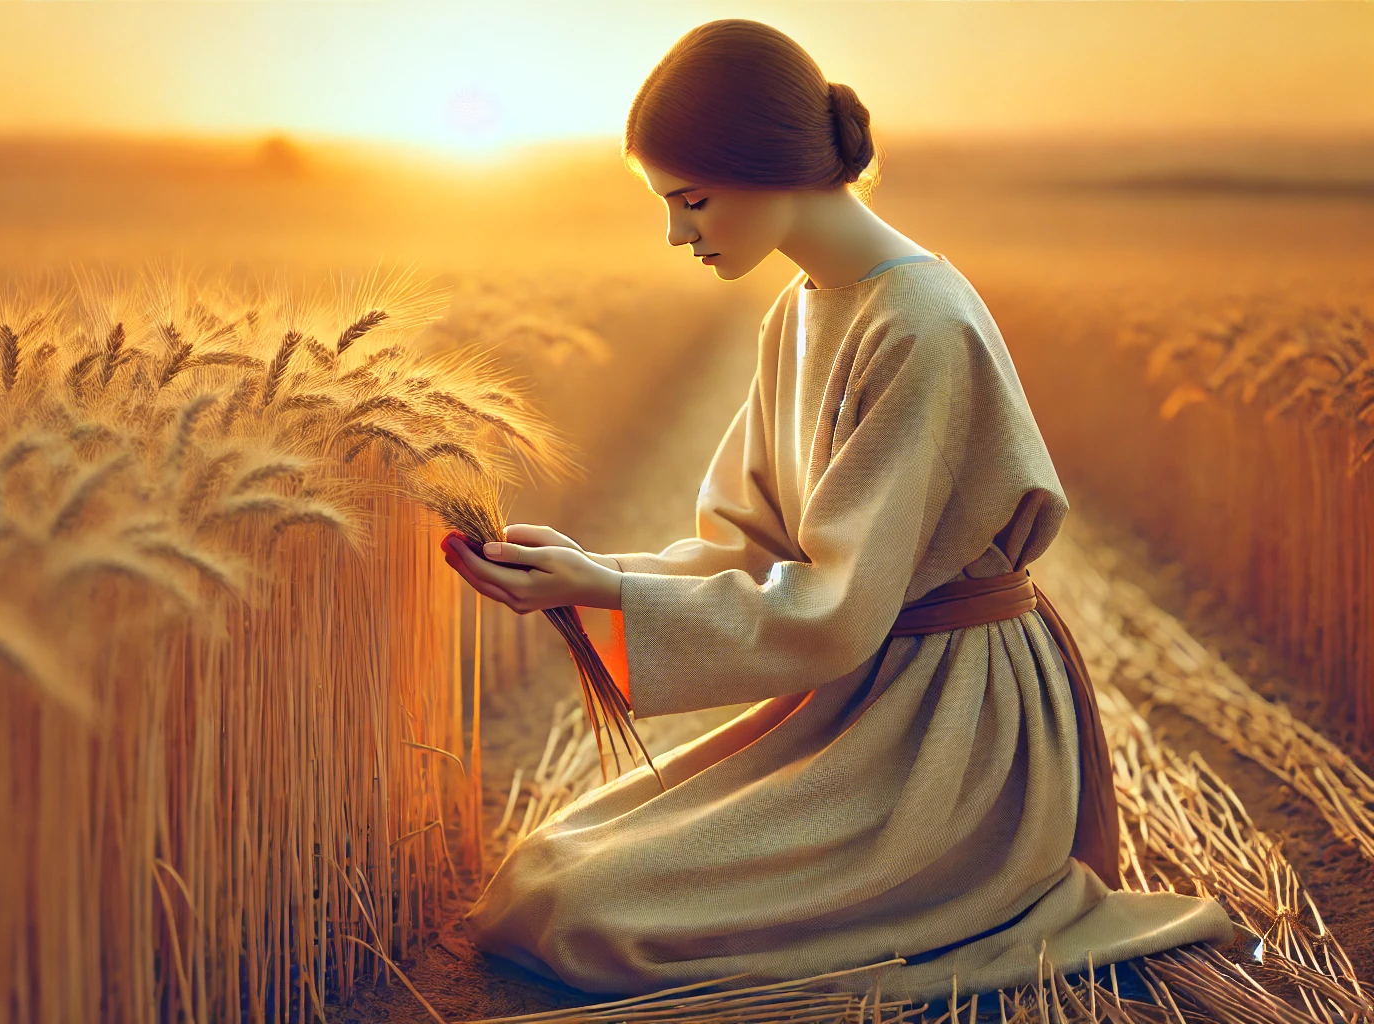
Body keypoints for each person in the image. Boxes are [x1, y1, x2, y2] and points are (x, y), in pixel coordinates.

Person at [437, 18, 1234, 1004]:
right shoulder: (802, 309)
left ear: (769, 167)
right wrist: (596, 570)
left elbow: (837, 610)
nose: (678, 233)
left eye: (692, 200)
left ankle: (968, 879)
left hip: (948, 735)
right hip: (853, 705)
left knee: (591, 919)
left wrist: (601, 586)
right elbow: (747, 546)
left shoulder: (922, 325)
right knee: (543, 879)